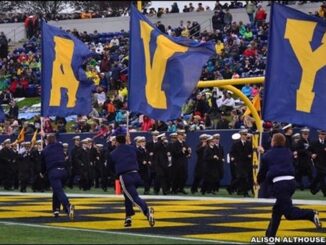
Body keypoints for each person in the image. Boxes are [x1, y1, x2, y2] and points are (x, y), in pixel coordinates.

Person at [257, 133, 322, 237]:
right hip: (291, 183)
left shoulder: (267, 155)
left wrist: (258, 181)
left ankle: (311, 214)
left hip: (280, 184)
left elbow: (263, 172)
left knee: (289, 214)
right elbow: (278, 156)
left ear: (273, 142)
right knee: (277, 211)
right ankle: (270, 236)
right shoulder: (288, 152)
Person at [109, 134, 155, 228]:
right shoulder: (132, 148)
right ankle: (128, 217)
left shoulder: (113, 153)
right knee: (128, 196)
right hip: (136, 174)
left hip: (125, 176)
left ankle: (146, 210)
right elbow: (140, 154)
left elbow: (110, 167)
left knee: (133, 197)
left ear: (117, 142)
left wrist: (116, 175)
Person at [41, 134, 75, 219]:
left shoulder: (45, 150)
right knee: (57, 191)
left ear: (47, 141)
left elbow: (43, 164)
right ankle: (56, 209)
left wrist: (42, 172)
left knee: (58, 191)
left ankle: (68, 206)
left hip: (53, 172)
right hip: (63, 171)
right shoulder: (59, 146)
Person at [310, 130, 326, 196]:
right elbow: (309, 150)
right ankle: (325, 192)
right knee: (322, 175)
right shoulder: (314, 143)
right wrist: (311, 155)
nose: (323, 136)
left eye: (324, 134)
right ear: (319, 135)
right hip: (317, 162)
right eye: (321, 134)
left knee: (320, 176)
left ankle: (313, 188)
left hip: (325, 163)